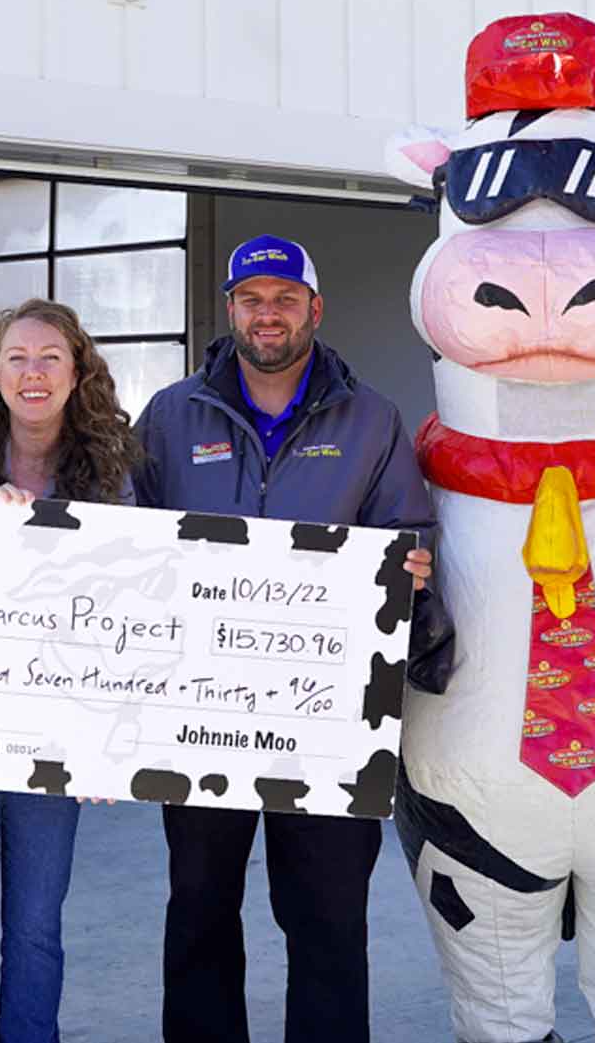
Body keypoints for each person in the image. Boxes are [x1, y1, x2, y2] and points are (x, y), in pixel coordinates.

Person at [134, 234, 435, 1043]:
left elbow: (409, 529)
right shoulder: (169, 415)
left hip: (327, 719)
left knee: (330, 917)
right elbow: (124, 544)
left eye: (285, 299)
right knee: (198, 905)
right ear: (229, 308)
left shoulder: (371, 418)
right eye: (252, 300)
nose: (269, 315)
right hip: (199, 713)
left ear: (315, 308)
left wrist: (412, 566)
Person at [0, 298, 142, 1043]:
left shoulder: (110, 477)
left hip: (59, 740)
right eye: (17, 357)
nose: (34, 371)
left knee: (38, 928)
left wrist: (113, 738)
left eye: (51, 356)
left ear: (78, 372)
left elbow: (135, 612)